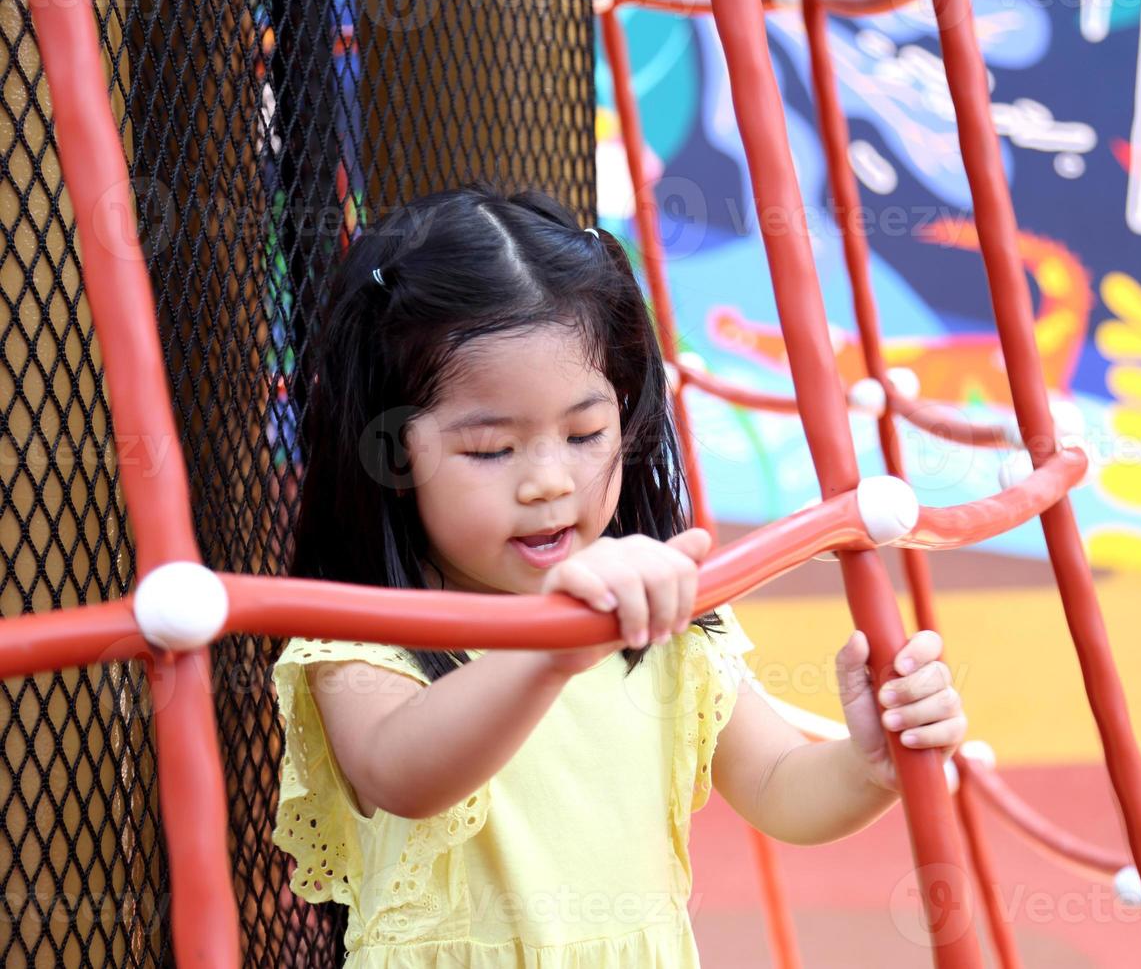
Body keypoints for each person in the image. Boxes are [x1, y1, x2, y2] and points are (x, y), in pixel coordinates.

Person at [272, 181, 968, 967]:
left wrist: (866, 765)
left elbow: (777, 783)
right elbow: (402, 773)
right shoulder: (363, 637)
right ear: (393, 453)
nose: (549, 482)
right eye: (492, 449)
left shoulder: (663, 615)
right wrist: (551, 652)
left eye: (585, 433)